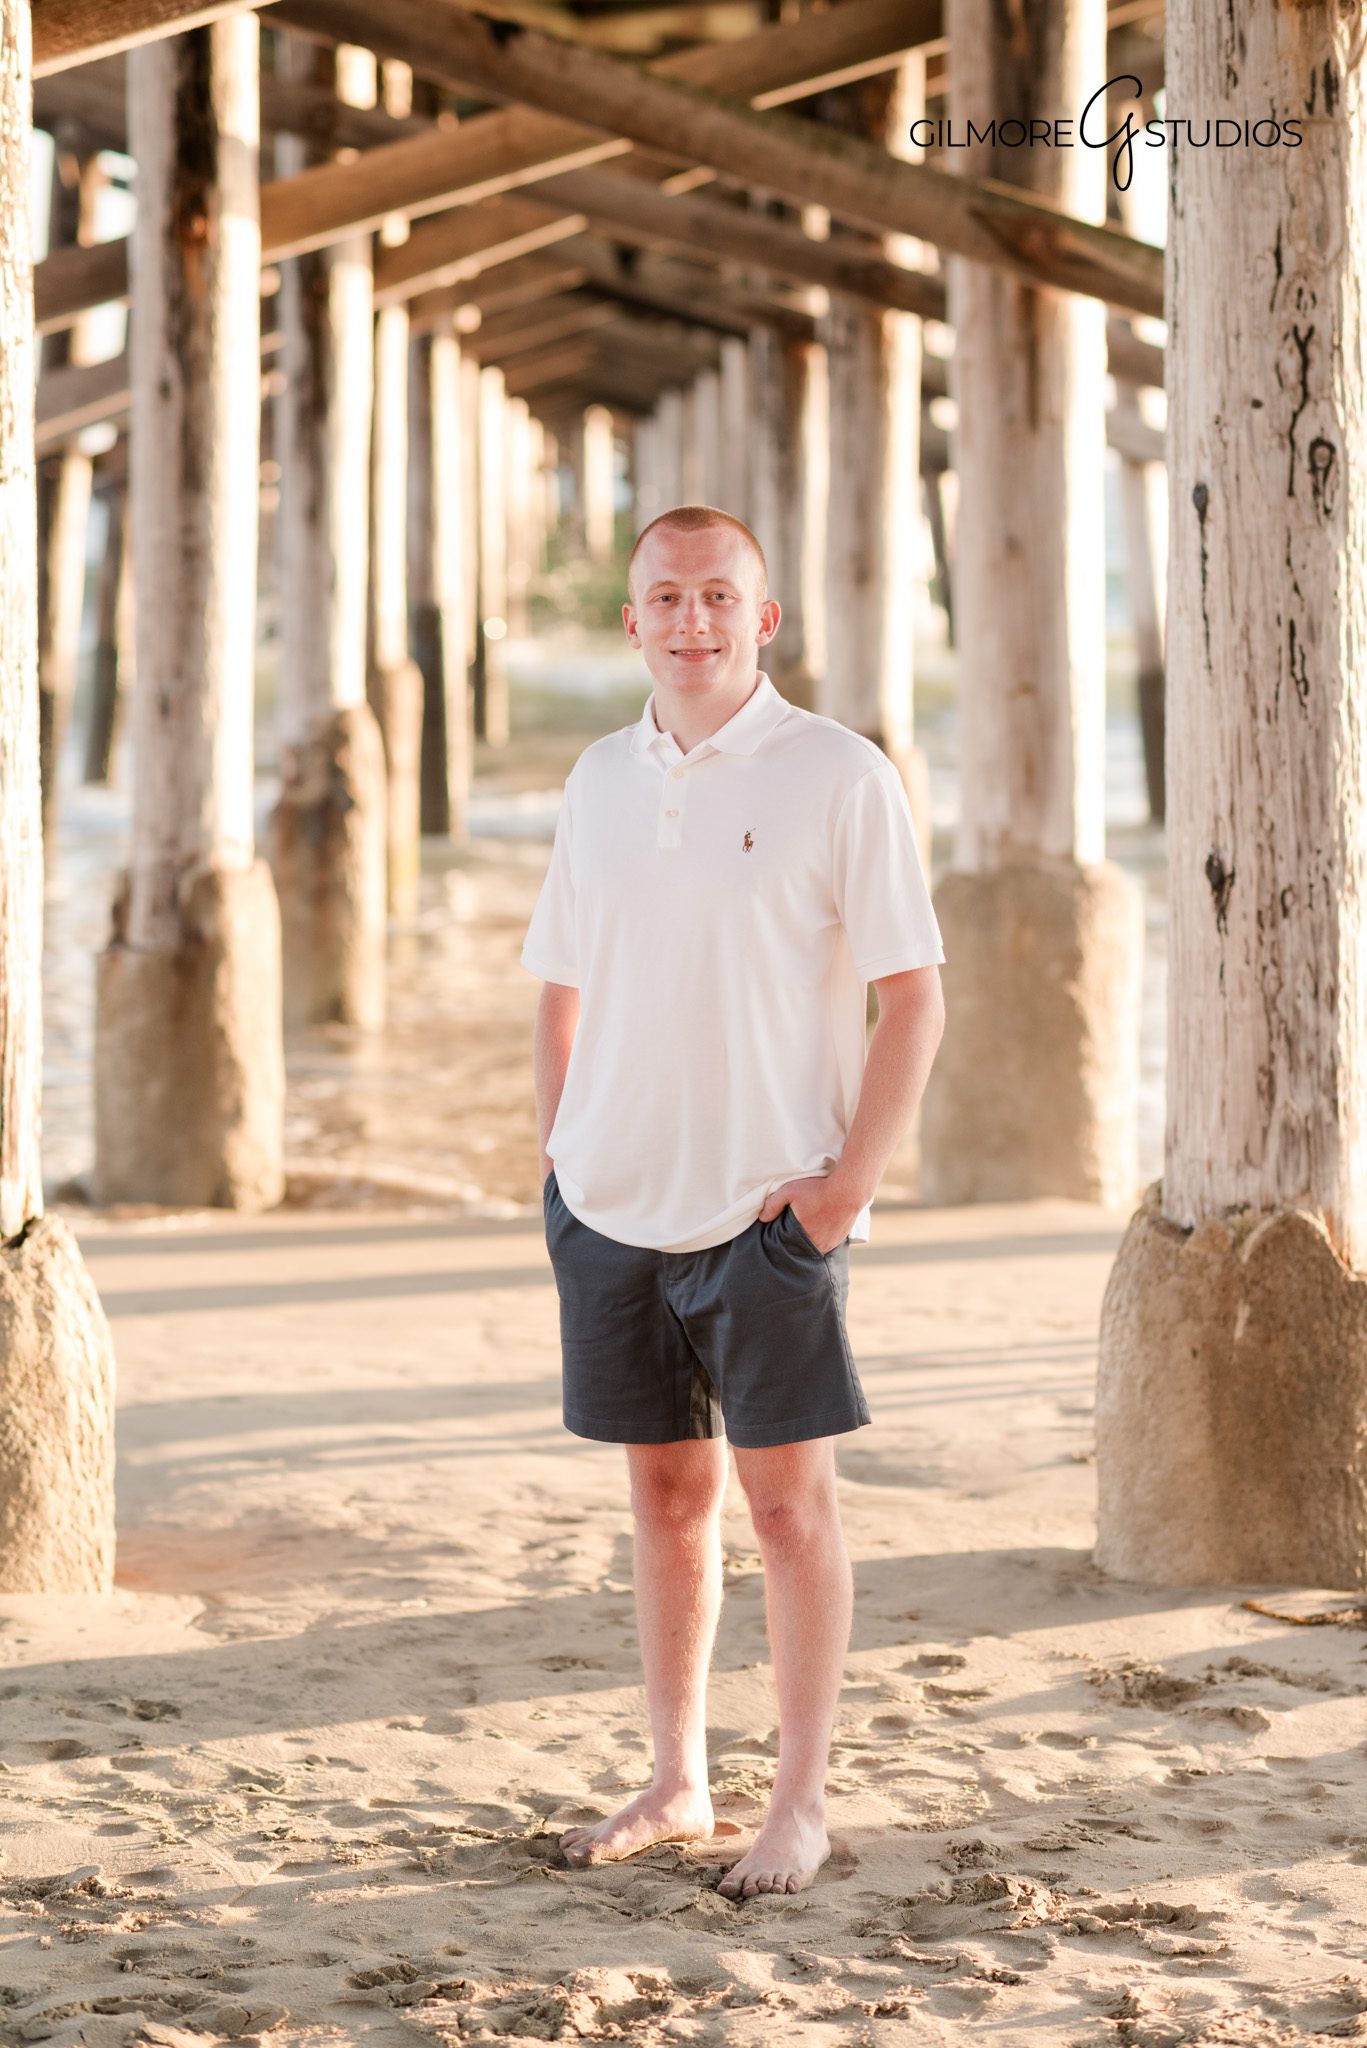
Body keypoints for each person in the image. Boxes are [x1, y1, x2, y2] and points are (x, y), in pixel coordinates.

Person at [521, 504, 945, 1899]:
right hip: (611, 1202)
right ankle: (677, 1776)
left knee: (788, 1512)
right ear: (630, 619)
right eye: (665, 597)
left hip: (769, 1216)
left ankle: (802, 1802)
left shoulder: (839, 774)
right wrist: (560, 1157)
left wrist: (842, 1193)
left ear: (762, 620)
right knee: (663, 1495)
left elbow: (913, 999)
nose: (690, 619)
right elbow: (560, 982)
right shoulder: (594, 779)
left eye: (719, 597)